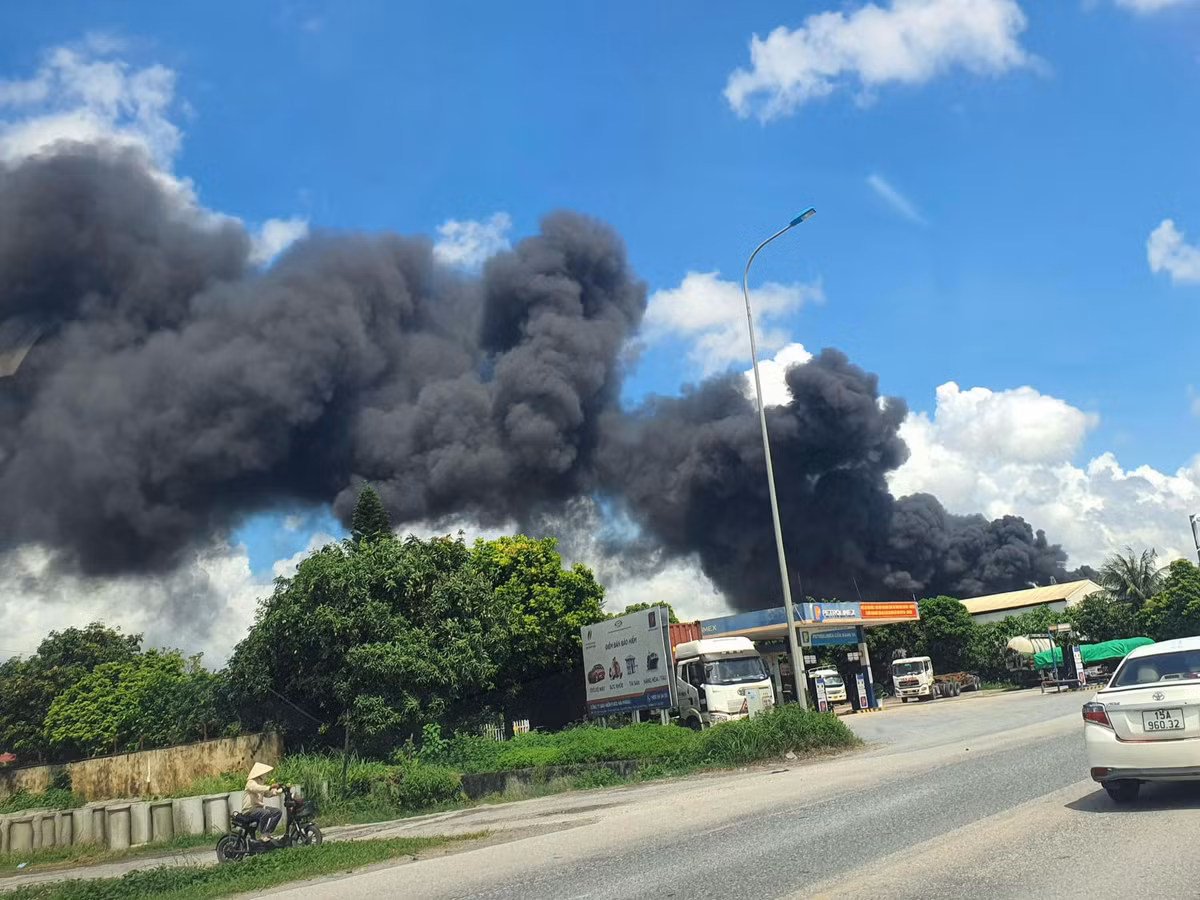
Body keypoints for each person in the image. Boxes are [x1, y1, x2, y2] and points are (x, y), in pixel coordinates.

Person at [241, 761, 283, 840]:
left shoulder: (260, 783)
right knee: (265, 812)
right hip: (250, 810)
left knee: (277, 812)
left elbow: (267, 793)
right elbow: (256, 788)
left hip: (259, 809)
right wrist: (269, 787)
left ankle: (268, 832)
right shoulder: (251, 782)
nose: (265, 775)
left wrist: (279, 791)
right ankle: (263, 834)